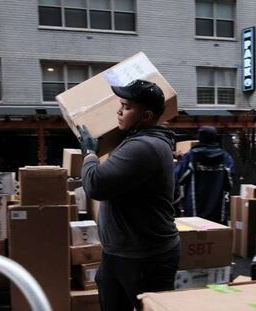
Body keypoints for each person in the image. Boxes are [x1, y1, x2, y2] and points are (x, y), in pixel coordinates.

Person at [77, 79, 180, 311]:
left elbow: (95, 185)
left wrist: (89, 154)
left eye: (127, 106)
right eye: (120, 104)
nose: (119, 110)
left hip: (145, 258)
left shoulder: (143, 147)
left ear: (146, 117)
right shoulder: (137, 140)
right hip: (122, 252)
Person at [174, 126, 234, 224]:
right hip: (218, 211)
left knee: (197, 237)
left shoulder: (192, 156)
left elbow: (178, 177)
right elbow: (230, 184)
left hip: (195, 210)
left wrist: (179, 161)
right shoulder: (225, 157)